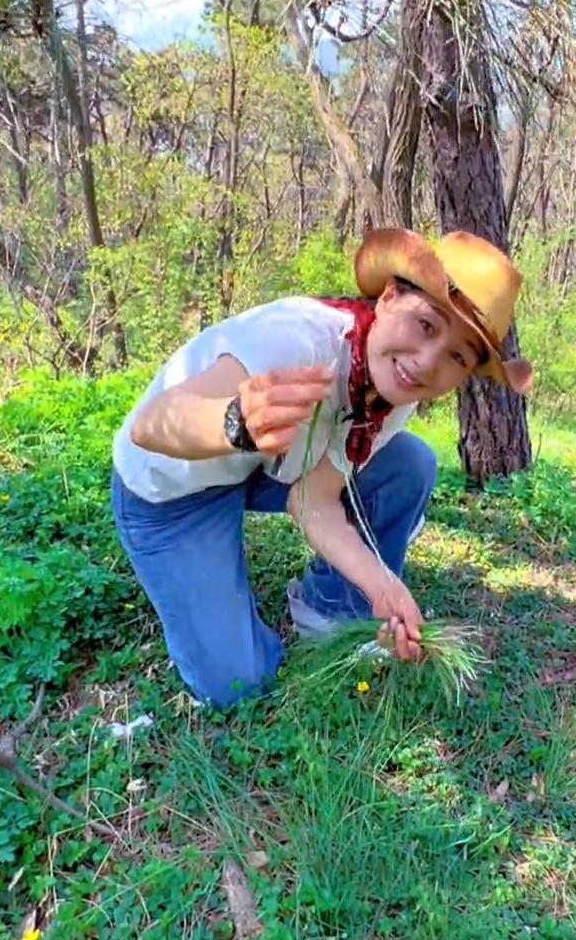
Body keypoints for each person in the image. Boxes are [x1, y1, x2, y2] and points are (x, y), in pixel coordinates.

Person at [109, 226, 534, 707]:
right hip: (175, 486)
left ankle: (329, 608)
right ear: (390, 295)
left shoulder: (395, 394)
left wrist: (383, 586)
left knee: (409, 463)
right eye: (427, 325)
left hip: (264, 467)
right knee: (237, 684)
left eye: (457, 356)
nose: (426, 363)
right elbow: (150, 426)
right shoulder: (296, 340)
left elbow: (312, 499)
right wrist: (234, 422)